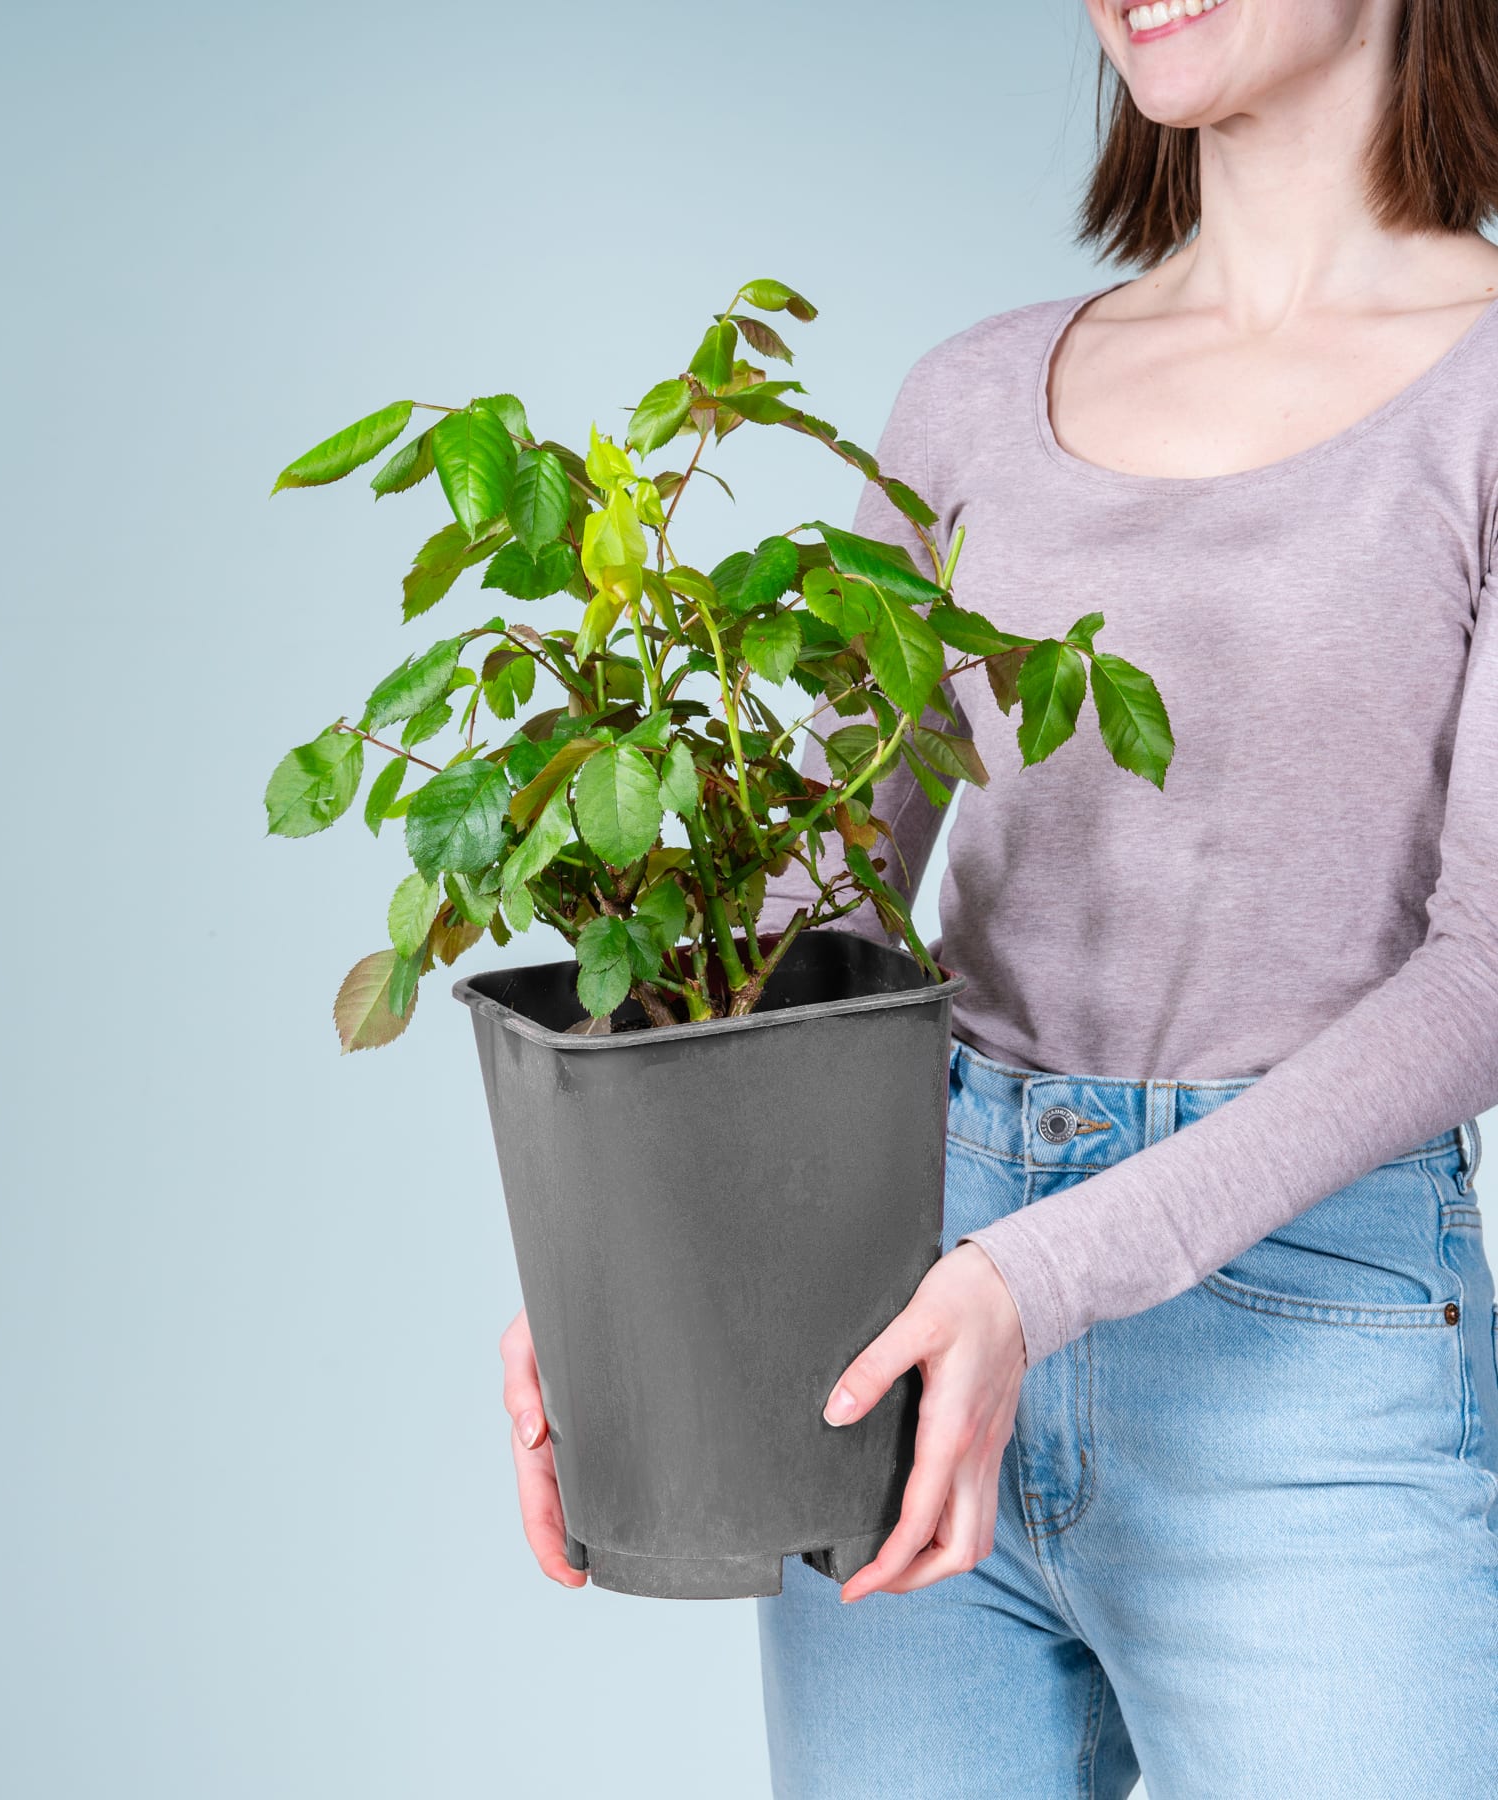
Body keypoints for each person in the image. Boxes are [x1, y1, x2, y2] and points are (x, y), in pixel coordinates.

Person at [499, 0, 1498, 1790]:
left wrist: (1039, 1283)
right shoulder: (972, 395)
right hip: (898, 1297)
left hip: (1298, 1360)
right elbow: (810, 914)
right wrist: (628, 1266)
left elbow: (1488, 975)